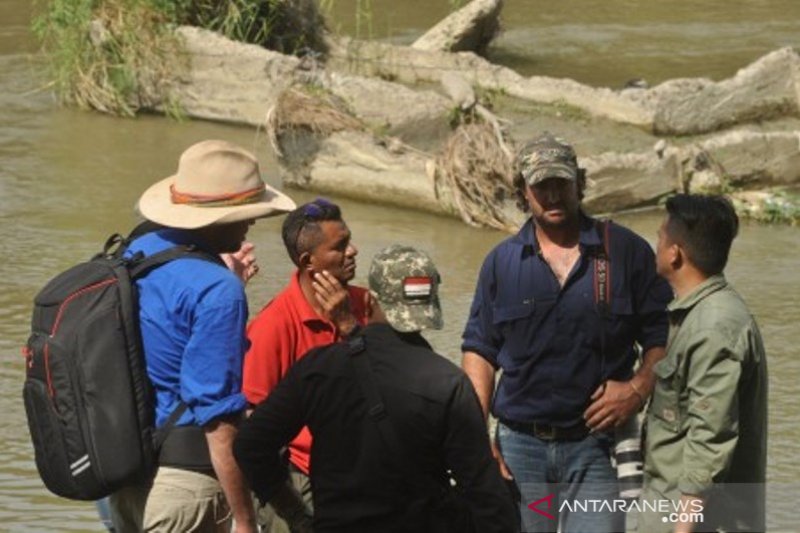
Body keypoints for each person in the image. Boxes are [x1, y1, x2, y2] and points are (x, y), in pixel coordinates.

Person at [461, 134, 672, 532]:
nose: (553, 195)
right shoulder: (501, 263)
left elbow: (665, 336)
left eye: (562, 182)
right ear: (523, 192)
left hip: (595, 447)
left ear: (580, 183)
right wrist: (476, 435)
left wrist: (638, 389)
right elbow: (480, 351)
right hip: (520, 449)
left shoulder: (625, 252)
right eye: (542, 186)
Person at [233, 245, 519, 532]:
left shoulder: (320, 368)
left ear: (369, 300)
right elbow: (486, 496)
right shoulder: (448, 383)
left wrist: (296, 514)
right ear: (431, 307)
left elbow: (250, 445)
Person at [108, 139, 296, 532]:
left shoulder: (135, 250)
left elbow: (164, 340)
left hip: (124, 482)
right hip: (184, 489)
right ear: (219, 217)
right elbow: (219, 421)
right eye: (246, 214)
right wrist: (244, 520)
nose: (252, 223)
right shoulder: (216, 290)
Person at [640, 194, 767, 533]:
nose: (656, 243)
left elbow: (710, 436)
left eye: (659, 236)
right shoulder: (699, 314)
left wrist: (683, 528)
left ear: (674, 253)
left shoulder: (713, 326)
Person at [242, 198, 368, 529]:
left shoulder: (365, 304)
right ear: (308, 261)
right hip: (300, 478)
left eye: (349, 240)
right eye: (339, 247)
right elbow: (252, 423)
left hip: (364, 474)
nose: (352, 251)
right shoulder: (273, 325)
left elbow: (391, 380)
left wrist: (349, 326)